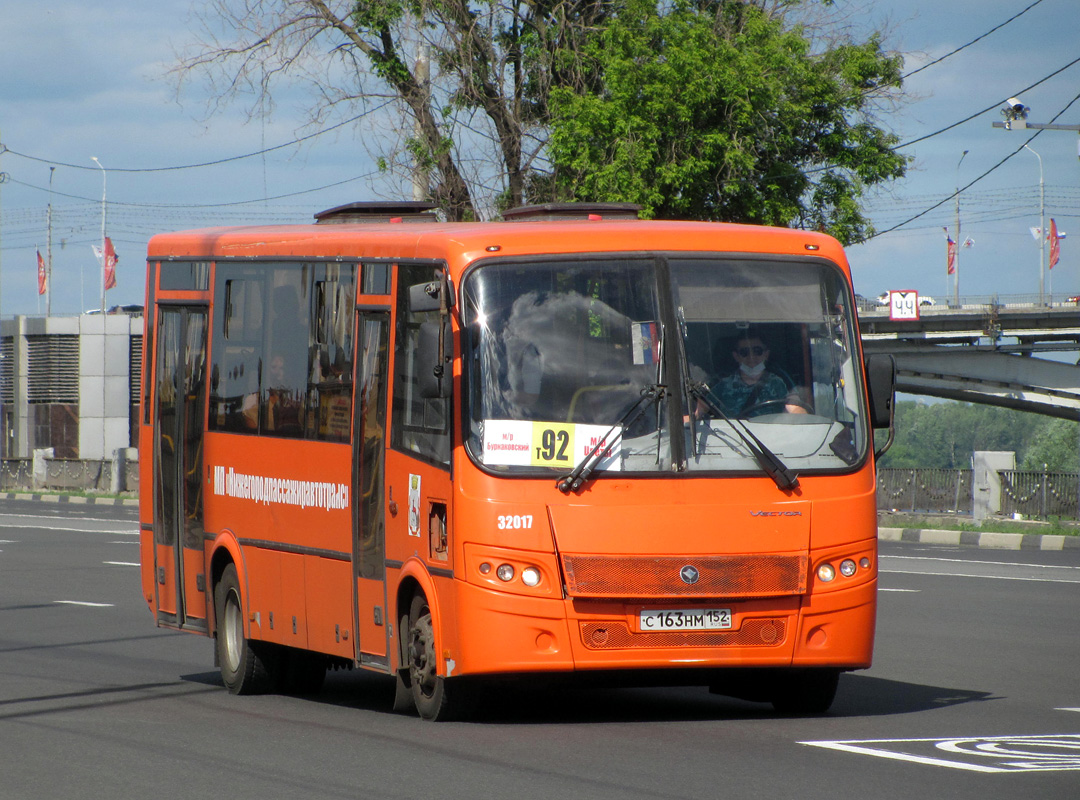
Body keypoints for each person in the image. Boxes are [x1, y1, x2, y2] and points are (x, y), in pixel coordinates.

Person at [702, 333, 806, 418]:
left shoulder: (778, 382)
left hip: (771, 440)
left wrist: (803, 419)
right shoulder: (722, 385)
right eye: (744, 352)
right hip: (731, 441)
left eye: (757, 351)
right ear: (736, 356)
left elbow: (795, 408)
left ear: (766, 354)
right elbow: (700, 410)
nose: (751, 357)